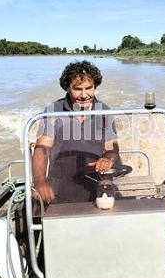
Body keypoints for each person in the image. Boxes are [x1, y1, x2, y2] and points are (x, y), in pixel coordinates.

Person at [32, 60, 119, 204]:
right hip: (60, 187)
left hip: (97, 184)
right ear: (67, 88)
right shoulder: (53, 110)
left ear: (95, 86)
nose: (84, 95)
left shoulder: (105, 111)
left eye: (89, 88)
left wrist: (107, 159)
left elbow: (112, 148)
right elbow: (42, 149)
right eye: (78, 89)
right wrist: (40, 181)